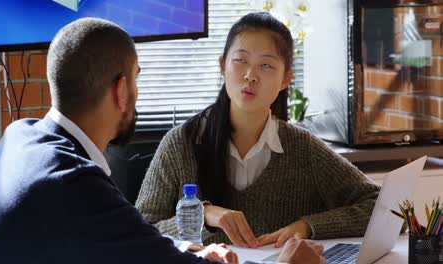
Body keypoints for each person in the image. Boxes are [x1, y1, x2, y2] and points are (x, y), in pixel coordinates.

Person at [0, 17, 325, 264]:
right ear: (121, 90)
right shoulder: (75, 183)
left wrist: (186, 253)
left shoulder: (19, 137)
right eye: (137, 78)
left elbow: (132, 243)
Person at [135, 12, 380, 248]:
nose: (250, 76)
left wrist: (308, 226)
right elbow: (135, 231)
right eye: (240, 61)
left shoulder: (303, 148)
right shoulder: (181, 142)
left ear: (286, 80)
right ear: (222, 66)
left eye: (266, 65)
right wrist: (204, 214)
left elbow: (383, 207)